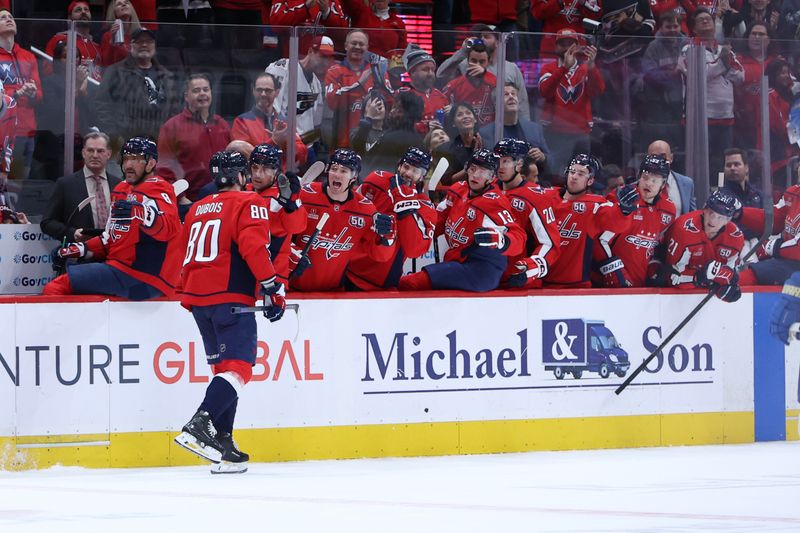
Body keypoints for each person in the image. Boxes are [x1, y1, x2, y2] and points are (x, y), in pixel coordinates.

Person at [174, 150, 286, 474]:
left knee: (224, 370)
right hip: (230, 296)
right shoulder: (249, 202)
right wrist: (272, 287)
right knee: (240, 368)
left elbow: (182, 250)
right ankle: (201, 423)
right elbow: (253, 247)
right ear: (240, 177)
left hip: (198, 299)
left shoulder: (197, 207)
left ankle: (223, 444)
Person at [42, 137, 182, 300]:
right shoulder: (122, 189)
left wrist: (143, 214)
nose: (128, 165)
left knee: (57, 286)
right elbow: (111, 238)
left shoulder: (158, 188)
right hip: (121, 270)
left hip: (145, 277)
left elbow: (169, 227)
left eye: (136, 159)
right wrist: (81, 248)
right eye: (126, 158)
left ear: (151, 163)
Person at [398, 148, 526, 292]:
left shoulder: (494, 202)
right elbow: (437, 222)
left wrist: (500, 239)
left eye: (483, 172)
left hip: (481, 270)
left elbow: (519, 237)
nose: (475, 175)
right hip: (457, 262)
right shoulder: (458, 190)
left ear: (492, 177)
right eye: (473, 169)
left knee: (411, 283)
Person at [290, 149, 396, 291]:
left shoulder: (365, 209)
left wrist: (386, 238)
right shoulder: (306, 195)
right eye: (334, 169)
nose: (337, 174)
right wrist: (292, 253)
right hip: (293, 289)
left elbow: (380, 256)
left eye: (344, 171)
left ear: (354, 177)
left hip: (334, 294)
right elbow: (281, 235)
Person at [346, 147, 437, 290]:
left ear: (422, 177)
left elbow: (414, 250)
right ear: (399, 165)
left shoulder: (425, 207)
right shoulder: (376, 180)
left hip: (381, 282)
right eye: (406, 167)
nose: (408, 173)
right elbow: (350, 213)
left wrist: (406, 205)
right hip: (347, 269)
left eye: (415, 170)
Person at [544, 154, 638, 288]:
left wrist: (624, 211)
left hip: (576, 287)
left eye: (581, 174)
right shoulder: (547, 197)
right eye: (572, 171)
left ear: (590, 181)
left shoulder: (595, 205)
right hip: (541, 283)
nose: (574, 176)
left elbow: (614, 221)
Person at [593, 155, 677, 287]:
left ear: (663, 185)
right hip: (608, 282)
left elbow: (655, 246)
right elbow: (598, 237)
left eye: (654, 180)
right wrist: (613, 271)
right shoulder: (621, 196)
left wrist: (654, 269)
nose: (648, 183)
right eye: (645, 177)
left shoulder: (668, 209)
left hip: (641, 283)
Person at [678, 8, 744, 174]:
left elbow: (740, 76)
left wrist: (721, 65)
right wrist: (723, 64)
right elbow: (700, 75)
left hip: (725, 116)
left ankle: (721, 190)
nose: (706, 21)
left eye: (708, 19)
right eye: (701, 20)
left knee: (724, 161)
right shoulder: (688, 49)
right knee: (701, 159)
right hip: (700, 117)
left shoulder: (724, 49)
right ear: (693, 28)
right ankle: (702, 193)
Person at [650, 189, 744, 302]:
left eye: (720, 217)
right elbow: (672, 277)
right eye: (711, 213)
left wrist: (726, 287)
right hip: (665, 276)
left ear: (728, 220)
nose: (713, 220)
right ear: (704, 210)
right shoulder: (684, 230)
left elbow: (729, 276)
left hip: (694, 286)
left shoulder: (735, 237)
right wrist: (699, 278)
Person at [493, 138, 561, 289]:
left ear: (519, 164)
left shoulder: (536, 196)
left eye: (506, 161)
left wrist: (532, 268)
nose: (500, 166)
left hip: (519, 282)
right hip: (487, 277)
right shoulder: (488, 189)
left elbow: (550, 243)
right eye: (497, 161)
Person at [538, 29, 605, 176]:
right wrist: (563, 69)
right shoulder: (548, 68)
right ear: (556, 47)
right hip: (554, 132)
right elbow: (545, 92)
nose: (567, 48)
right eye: (563, 44)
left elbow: (597, 91)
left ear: (577, 46)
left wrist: (592, 67)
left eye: (571, 43)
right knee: (555, 173)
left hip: (580, 132)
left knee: (580, 173)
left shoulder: (586, 68)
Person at [95, 28, 178, 145]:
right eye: (139, 41)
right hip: (125, 142)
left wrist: (168, 135)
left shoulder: (166, 75)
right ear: (130, 45)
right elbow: (101, 104)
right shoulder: (116, 71)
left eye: (149, 41)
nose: (144, 44)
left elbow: (174, 109)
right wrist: (114, 135)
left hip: (159, 142)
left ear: (154, 46)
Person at [156, 74, 231, 201]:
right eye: (196, 91)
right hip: (189, 201)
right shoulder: (172, 127)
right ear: (186, 96)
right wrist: (181, 198)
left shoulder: (222, 125)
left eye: (205, 90)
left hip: (222, 200)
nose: (202, 93)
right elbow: (164, 169)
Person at [436, 24, 530, 120]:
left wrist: (525, 126)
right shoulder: (468, 64)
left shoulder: (511, 68)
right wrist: (463, 51)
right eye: (480, 37)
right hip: (469, 122)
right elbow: (441, 74)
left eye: (486, 36)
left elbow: (522, 101)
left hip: (500, 124)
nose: (482, 39)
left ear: (497, 42)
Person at [41, 132, 121, 243]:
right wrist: (71, 233)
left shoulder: (119, 185)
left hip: (112, 253)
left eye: (100, 151)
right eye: (90, 150)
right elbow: (47, 222)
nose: (95, 155)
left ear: (108, 154)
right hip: (79, 254)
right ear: (83, 153)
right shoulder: (66, 184)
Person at [247, 144, 307, 285]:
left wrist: (291, 206)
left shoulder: (282, 196)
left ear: (277, 171)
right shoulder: (243, 191)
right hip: (244, 277)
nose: (257, 174)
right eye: (255, 167)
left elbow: (297, 227)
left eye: (265, 169)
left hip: (272, 280)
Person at [266, 36, 335, 143]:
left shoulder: (316, 84)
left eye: (329, 58)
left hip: (304, 146)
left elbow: (315, 124)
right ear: (310, 51)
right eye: (322, 56)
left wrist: (309, 147)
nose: (325, 62)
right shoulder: (283, 68)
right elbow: (268, 107)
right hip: (282, 141)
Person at [231, 73, 308, 169]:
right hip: (255, 180)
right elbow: (244, 159)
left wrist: (287, 142)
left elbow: (302, 157)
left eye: (268, 90)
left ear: (277, 92)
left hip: (281, 180)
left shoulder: (285, 122)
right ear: (253, 91)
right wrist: (274, 141)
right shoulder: (241, 122)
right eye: (259, 90)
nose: (263, 94)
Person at [0, 9, 42, 180]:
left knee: (18, 186)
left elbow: (40, 95)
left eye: (11, 17)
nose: (9, 19)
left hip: (27, 130)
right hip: (3, 131)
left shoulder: (28, 56)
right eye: (3, 18)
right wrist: (17, 93)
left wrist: (31, 93)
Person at [324, 30, 376, 150]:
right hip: (343, 142)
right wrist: (359, 84)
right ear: (346, 46)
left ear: (367, 47)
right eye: (354, 43)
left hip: (372, 142)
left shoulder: (376, 72)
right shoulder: (334, 71)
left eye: (361, 44)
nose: (357, 47)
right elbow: (333, 101)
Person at [479, 83, 550, 168]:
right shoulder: (485, 133)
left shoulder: (534, 129)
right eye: (506, 94)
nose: (511, 97)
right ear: (496, 104)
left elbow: (551, 160)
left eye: (513, 94)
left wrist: (543, 157)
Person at [442, 40, 497, 128]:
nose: (477, 65)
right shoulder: (454, 86)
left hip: (490, 134)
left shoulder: (496, 82)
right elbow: (441, 111)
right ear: (468, 60)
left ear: (488, 62)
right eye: (474, 61)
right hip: (463, 134)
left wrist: (485, 75)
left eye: (482, 62)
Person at [45, 1, 102, 81]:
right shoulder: (58, 40)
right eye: (78, 10)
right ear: (69, 18)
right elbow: (49, 74)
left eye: (86, 10)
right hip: (69, 91)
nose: (83, 12)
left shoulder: (96, 46)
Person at [401, 44, 448, 133]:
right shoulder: (402, 96)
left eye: (432, 70)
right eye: (425, 70)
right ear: (412, 72)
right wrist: (425, 126)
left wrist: (452, 115)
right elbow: (397, 126)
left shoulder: (441, 96)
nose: (430, 73)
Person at [340, 0, 407, 59]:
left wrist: (392, 71)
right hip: (360, 68)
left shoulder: (398, 23)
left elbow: (400, 51)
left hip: (385, 70)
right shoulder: (361, 14)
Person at [647, 139, 696, 216]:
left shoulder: (687, 184)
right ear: (648, 159)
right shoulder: (639, 186)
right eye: (654, 157)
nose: (659, 160)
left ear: (671, 158)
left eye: (663, 156)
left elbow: (693, 217)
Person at [100, 0, 143, 67]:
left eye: (126, 3)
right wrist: (112, 40)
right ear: (114, 12)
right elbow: (106, 63)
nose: (124, 4)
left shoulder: (140, 34)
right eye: (119, 4)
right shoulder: (107, 36)